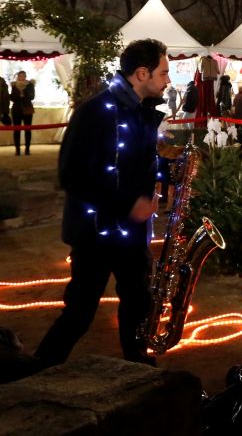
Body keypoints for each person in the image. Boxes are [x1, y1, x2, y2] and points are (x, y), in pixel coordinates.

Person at [35, 38, 169, 367]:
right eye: (163, 72)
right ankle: (34, 372)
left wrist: (170, 170)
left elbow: (135, 163)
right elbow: (73, 175)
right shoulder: (95, 112)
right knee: (80, 312)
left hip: (131, 234)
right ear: (142, 73)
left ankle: (140, 374)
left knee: (138, 306)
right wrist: (129, 204)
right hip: (97, 233)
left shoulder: (143, 112)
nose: (168, 80)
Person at [9, 70, 36, 156]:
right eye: (20, 76)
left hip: (27, 108)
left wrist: (24, 94)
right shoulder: (14, 85)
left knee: (28, 129)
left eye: (23, 75)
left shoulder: (30, 85)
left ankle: (27, 149)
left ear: (25, 76)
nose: (21, 77)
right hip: (16, 109)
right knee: (16, 130)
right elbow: (12, 97)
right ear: (18, 76)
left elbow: (32, 96)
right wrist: (17, 96)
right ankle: (17, 149)